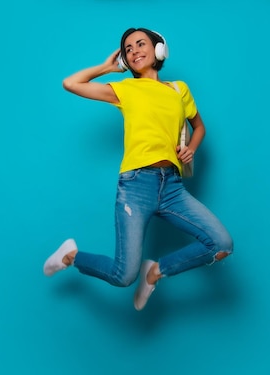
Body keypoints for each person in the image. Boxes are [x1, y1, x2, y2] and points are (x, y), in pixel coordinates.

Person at [43, 27, 233, 311]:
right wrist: (107, 68)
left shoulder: (179, 90)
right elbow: (71, 83)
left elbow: (200, 127)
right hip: (136, 187)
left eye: (140, 44)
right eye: (128, 49)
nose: (133, 51)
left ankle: (155, 272)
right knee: (123, 276)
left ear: (159, 49)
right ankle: (71, 255)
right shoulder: (125, 90)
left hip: (172, 188)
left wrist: (191, 148)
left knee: (221, 244)